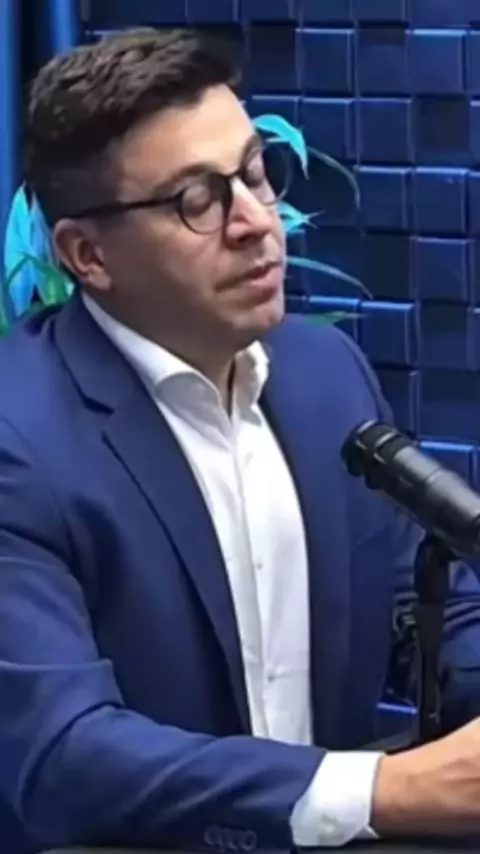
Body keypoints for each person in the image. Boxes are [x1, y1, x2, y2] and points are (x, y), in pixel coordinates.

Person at [1, 26, 480, 854]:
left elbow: (428, 610)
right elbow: (63, 754)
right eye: (196, 200)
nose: (258, 221)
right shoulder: (20, 439)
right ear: (87, 255)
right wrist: (384, 790)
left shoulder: (325, 374)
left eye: (254, 173)